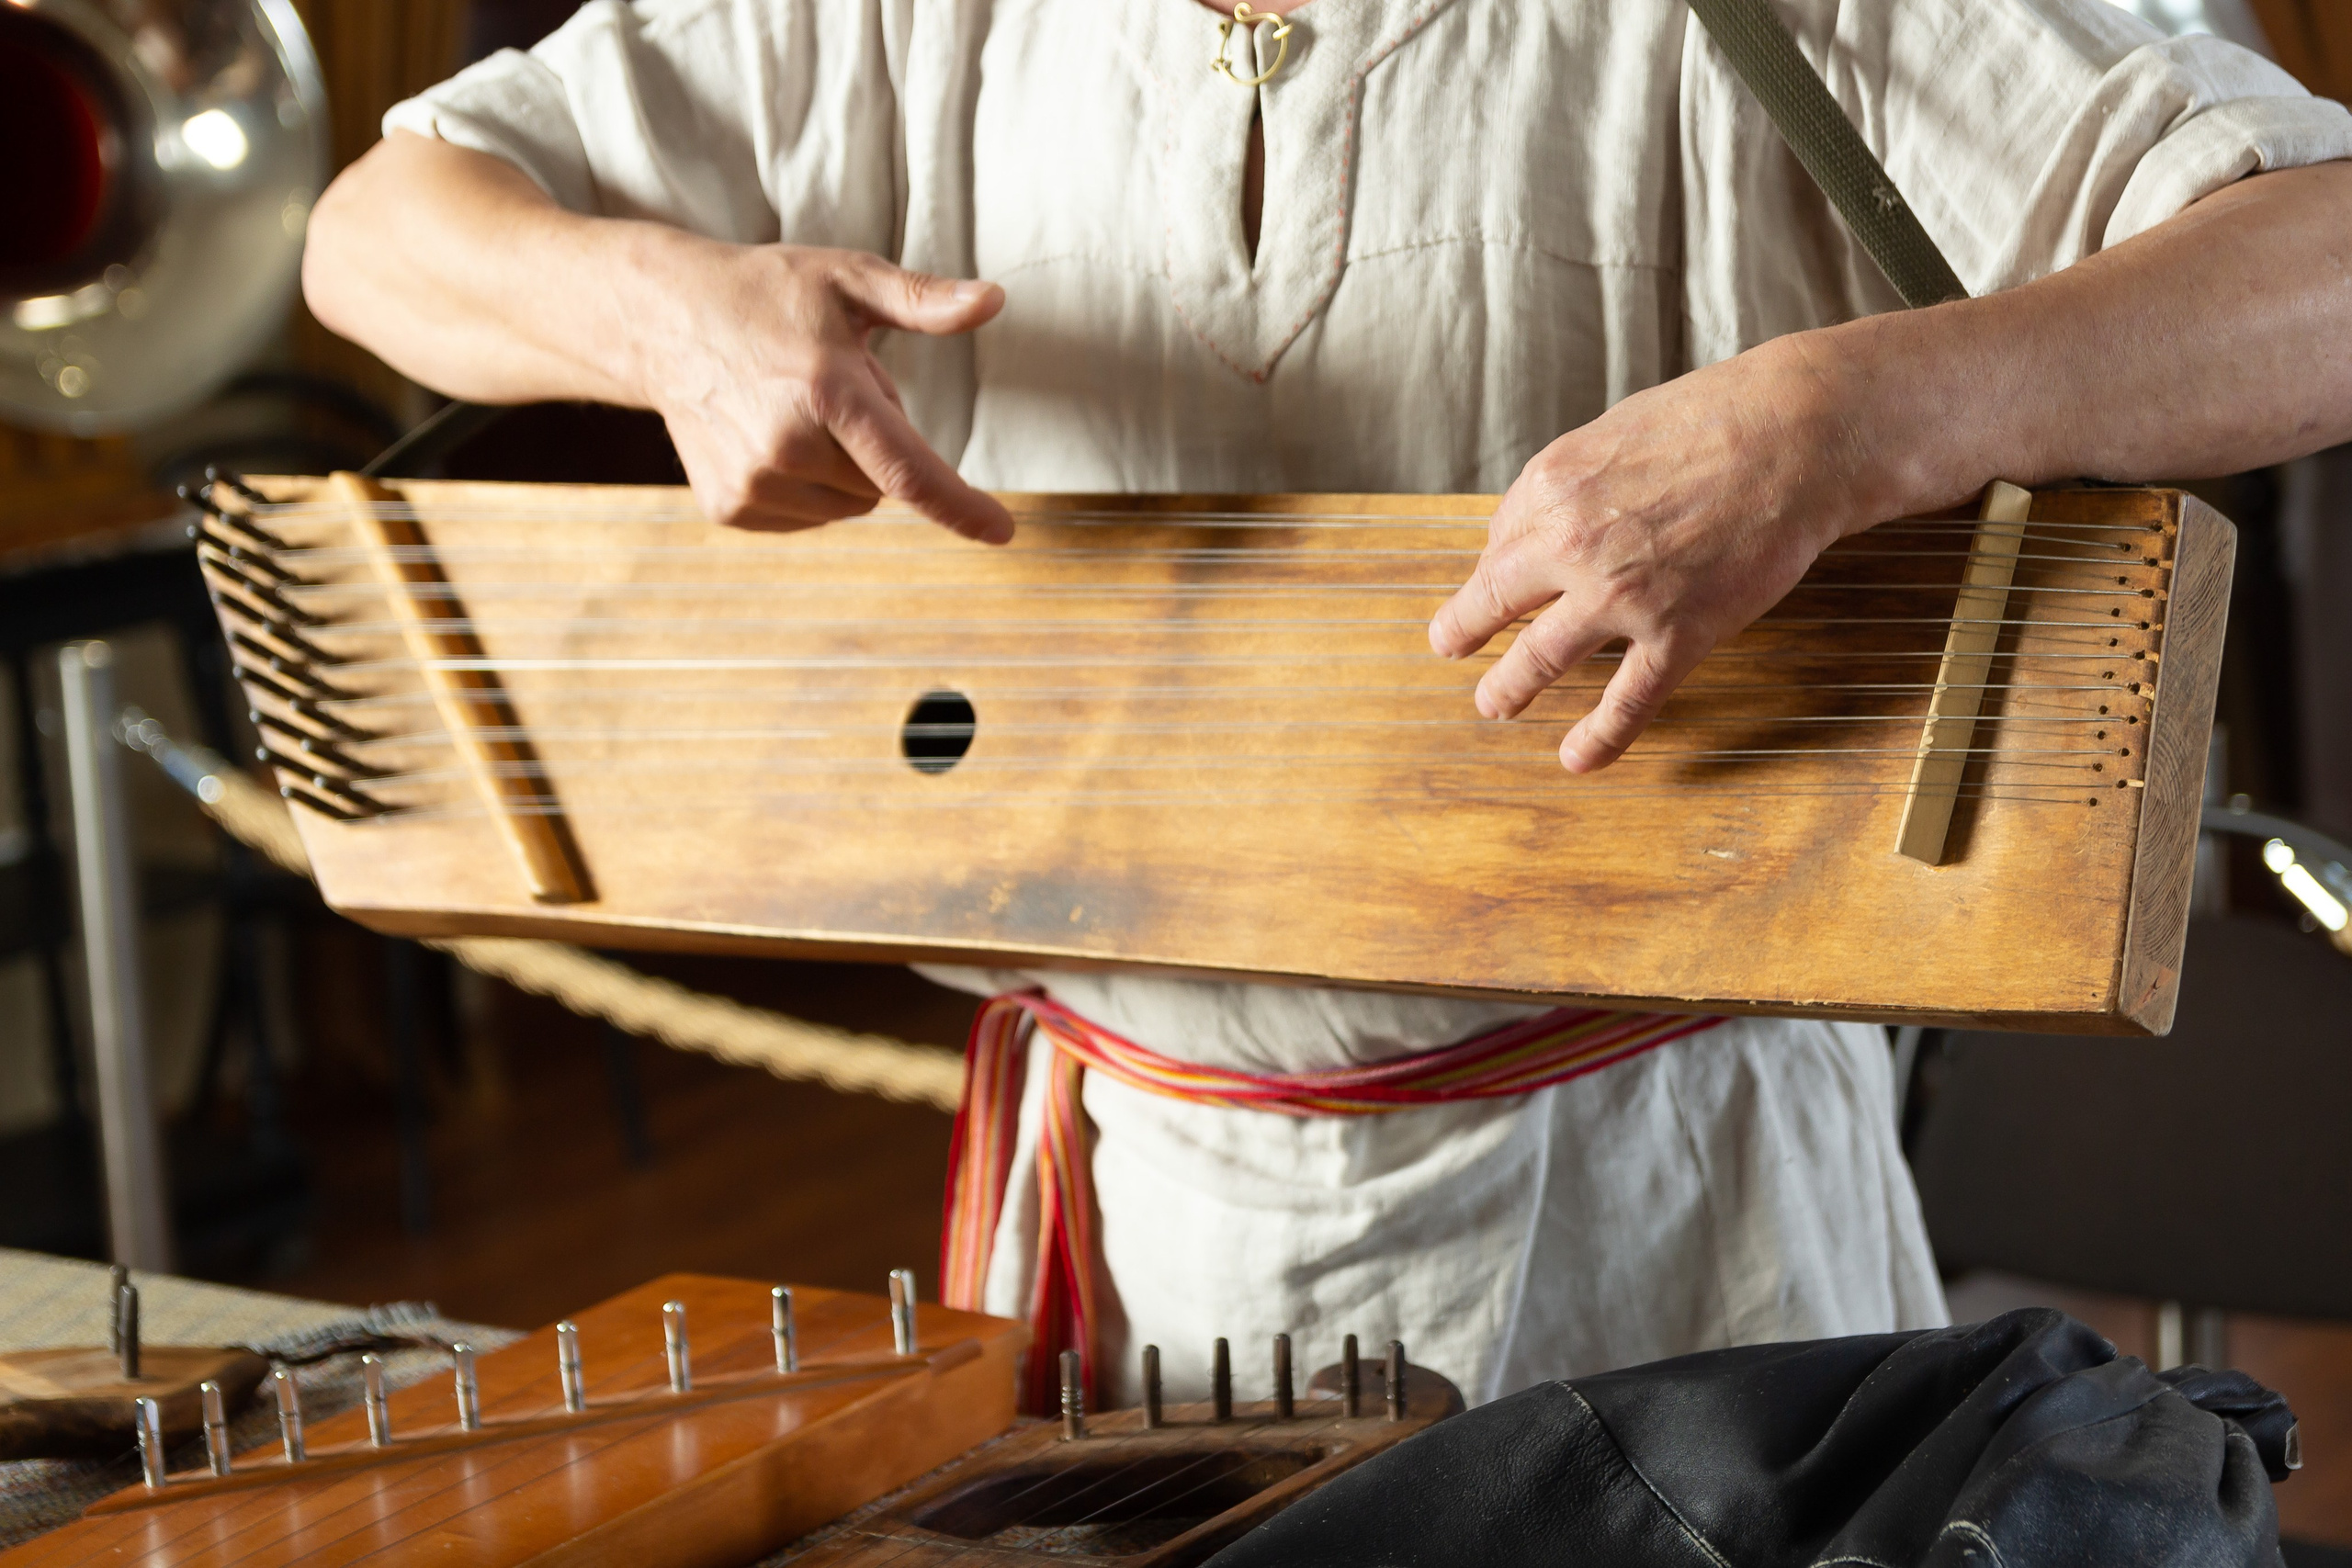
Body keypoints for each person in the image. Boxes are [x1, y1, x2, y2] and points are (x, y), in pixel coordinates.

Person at [302, 0, 2352, 1406]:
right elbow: (375, 235)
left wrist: (1856, 413)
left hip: (1678, 1235)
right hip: (1119, 1218)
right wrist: (663, 317)